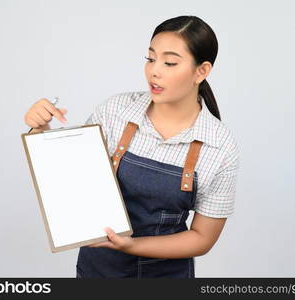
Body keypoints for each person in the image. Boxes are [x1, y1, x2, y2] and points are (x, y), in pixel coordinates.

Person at [23, 15, 240, 278]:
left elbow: (202, 238)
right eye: (150, 59)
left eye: (169, 62)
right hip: (98, 271)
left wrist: (132, 245)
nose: (154, 71)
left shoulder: (219, 146)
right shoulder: (115, 111)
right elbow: (69, 183)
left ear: (202, 71)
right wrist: (40, 130)